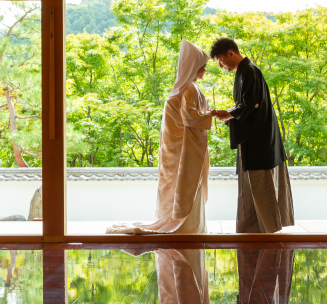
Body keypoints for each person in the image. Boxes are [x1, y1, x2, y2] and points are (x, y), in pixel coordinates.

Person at [107, 40, 213, 234]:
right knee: (185, 188)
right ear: (193, 66)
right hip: (184, 150)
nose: (205, 70)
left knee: (179, 189)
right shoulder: (189, 89)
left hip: (177, 149)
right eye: (203, 66)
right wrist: (212, 114)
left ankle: (188, 225)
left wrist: (208, 114)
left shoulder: (187, 89)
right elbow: (191, 117)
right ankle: (188, 227)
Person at [210, 37, 294, 233]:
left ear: (230, 53)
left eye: (221, 61)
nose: (221, 66)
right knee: (250, 191)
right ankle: (253, 234)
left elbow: (251, 105)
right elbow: (247, 106)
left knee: (262, 189)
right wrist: (229, 115)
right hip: (253, 140)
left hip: (259, 143)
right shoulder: (244, 71)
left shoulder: (249, 70)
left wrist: (228, 114)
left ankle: (270, 236)